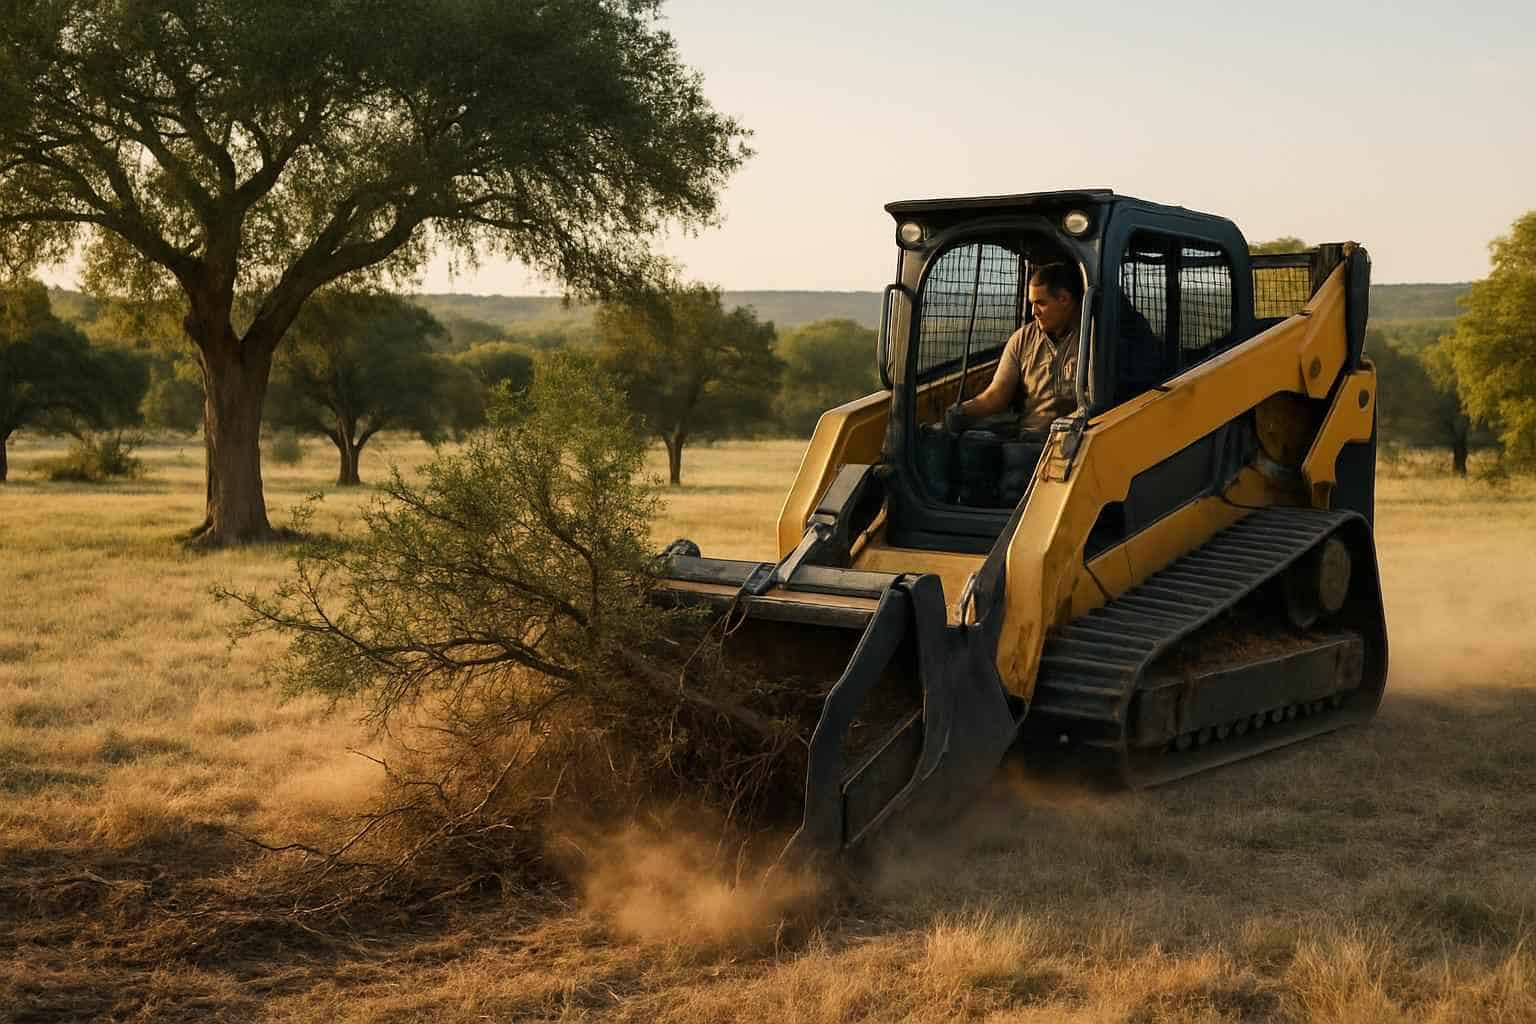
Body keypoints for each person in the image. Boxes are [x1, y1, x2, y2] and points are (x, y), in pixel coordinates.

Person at [944, 262, 1083, 438]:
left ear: (1064, 299)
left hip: (1078, 444)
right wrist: (962, 411)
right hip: (1029, 440)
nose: (1034, 312)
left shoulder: (1094, 339)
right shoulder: (1022, 339)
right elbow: (997, 395)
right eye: (1032, 304)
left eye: (1041, 303)